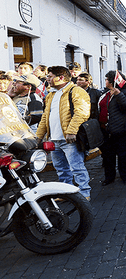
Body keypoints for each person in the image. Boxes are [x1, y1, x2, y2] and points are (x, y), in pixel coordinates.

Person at [36, 66, 92, 200]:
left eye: (49, 76)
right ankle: (66, 193)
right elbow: (45, 116)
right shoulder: (51, 94)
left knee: (76, 167)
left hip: (69, 140)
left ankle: (84, 193)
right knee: (61, 169)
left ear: (60, 77)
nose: (47, 79)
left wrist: (71, 131)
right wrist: (39, 136)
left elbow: (82, 112)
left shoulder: (76, 91)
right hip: (54, 139)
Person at [98, 71, 126, 186]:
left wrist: (119, 94)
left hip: (120, 130)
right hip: (106, 130)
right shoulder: (105, 93)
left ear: (112, 81)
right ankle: (109, 177)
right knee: (108, 156)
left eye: (106, 79)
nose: (105, 81)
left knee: (122, 155)